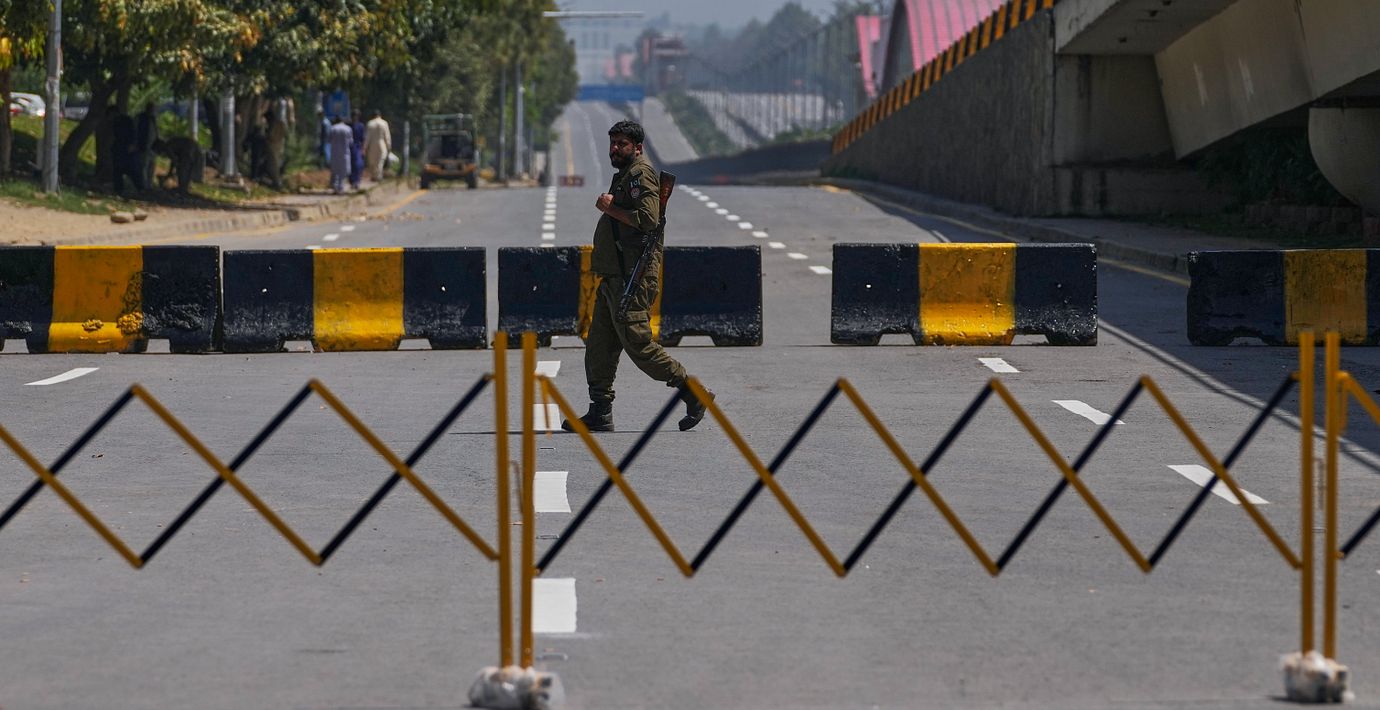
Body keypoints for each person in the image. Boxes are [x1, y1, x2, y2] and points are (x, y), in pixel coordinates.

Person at [561, 120, 713, 433]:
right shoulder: (627, 174)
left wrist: (610, 208)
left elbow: (648, 220)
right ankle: (600, 411)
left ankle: (694, 394)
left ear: (637, 147)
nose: (615, 149)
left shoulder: (641, 174)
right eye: (613, 143)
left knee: (639, 346)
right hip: (614, 277)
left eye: (622, 144)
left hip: (633, 277)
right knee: (599, 347)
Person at [110, 108, 139, 194]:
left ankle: (138, 187)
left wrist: (132, 144)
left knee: (131, 169)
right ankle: (119, 189)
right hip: (119, 147)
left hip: (127, 146)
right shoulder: (115, 122)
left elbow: (133, 133)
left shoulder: (126, 120)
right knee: (117, 169)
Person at [136, 102, 159, 190]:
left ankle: (149, 185)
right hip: (143, 147)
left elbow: (156, 133)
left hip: (152, 148)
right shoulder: (141, 118)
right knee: (143, 167)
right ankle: (143, 186)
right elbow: (136, 131)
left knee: (151, 167)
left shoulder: (153, 119)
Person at [327, 115, 353, 194]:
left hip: (334, 152)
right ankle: (340, 187)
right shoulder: (348, 128)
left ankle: (335, 187)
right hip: (345, 152)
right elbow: (351, 142)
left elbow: (329, 140)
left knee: (335, 170)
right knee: (343, 171)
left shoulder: (332, 128)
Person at [364, 109, 391, 182]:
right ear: (380, 115)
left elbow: (367, 137)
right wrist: (388, 146)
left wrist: (365, 147)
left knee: (372, 162)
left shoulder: (370, 123)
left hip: (372, 145)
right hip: (381, 144)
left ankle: (374, 176)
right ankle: (378, 176)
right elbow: (387, 136)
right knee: (380, 161)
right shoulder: (384, 123)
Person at [265, 108, 287, 189]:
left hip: (274, 146)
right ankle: (277, 182)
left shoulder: (275, 124)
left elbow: (272, 136)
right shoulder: (280, 124)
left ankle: (277, 183)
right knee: (276, 164)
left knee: (273, 165)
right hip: (278, 145)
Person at [349, 109, 365, 190]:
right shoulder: (349, 125)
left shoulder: (361, 126)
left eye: (356, 115)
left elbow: (363, 138)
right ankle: (352, 181)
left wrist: (363, 149)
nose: (355, 117)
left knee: (358, 164)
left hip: (358, 147)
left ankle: (357, 181)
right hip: (350, 147)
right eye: (354, 115)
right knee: (351, 165)